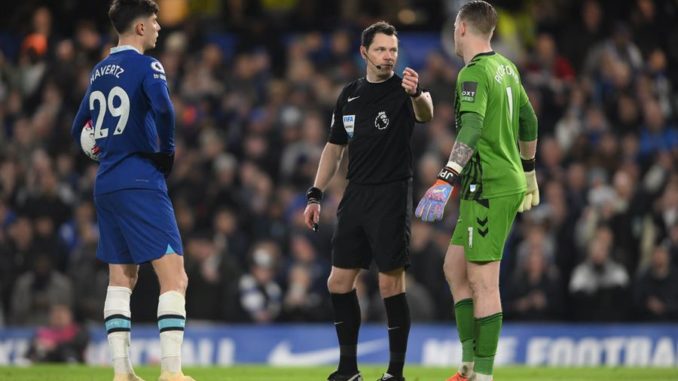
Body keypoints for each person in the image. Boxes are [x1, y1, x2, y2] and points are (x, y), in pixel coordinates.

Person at [414, 2, 539, 381]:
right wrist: (530, 171)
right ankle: (468, 366)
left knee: (484, 281)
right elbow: (528, 119)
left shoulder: (473, 74)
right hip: (487, 183)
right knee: (454, 267)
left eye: (454, 26)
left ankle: (482, 375)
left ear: (463, 28)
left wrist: (445, 176)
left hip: (490, 187)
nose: (453, 33)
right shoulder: (506, 67)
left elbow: (470, 129)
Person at [303, 21, 434, 381]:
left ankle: (395, 373)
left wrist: (417, 92)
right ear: (364, 53)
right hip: (356, 194)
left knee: (390, 284)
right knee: (338, 283)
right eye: (381, 49)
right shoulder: (350, 95)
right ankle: (348, 369)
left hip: (391, 194)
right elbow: (334, 148)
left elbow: (427, 112)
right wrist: (316, 193)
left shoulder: (404, 89)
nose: (388, 56)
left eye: (393, 49)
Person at [70, 1, 193, 380]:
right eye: (155, 21)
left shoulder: (98, 72)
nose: (159, 27)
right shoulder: (147, 65)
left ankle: (121, 373)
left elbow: (79, 131)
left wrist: (104, 149)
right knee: (175, 277)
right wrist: (167, 152)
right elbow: (165, 109)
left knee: (121, 278)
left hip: (106, 182)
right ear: (140, 28)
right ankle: (171, 373)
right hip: (141, 178)